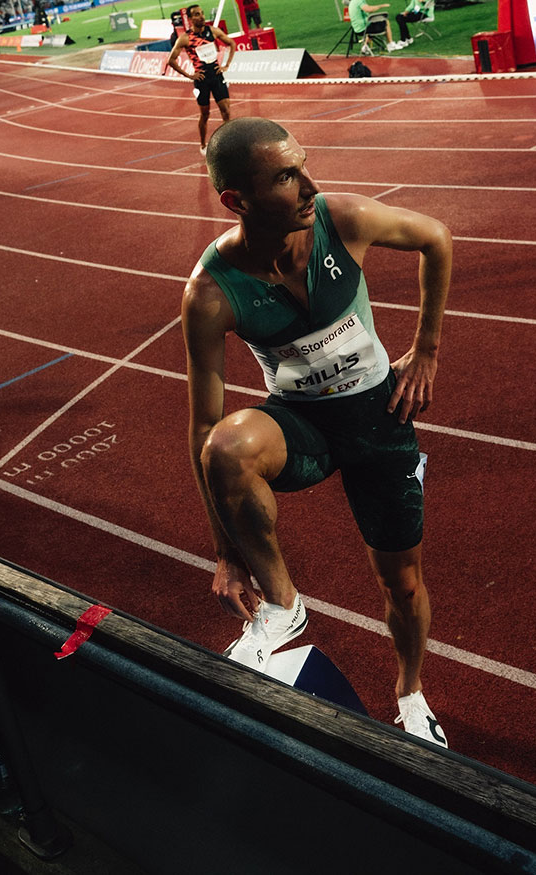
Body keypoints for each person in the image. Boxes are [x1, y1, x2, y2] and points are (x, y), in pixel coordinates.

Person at [182, 117, 452, 747]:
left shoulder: (342, 220)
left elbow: (437, 238)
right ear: (236, 200)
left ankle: (410, 692)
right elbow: (202, 423)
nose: (309, 185)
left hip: (377, 420)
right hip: (301, 424)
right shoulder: (212, 292)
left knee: (402, 582)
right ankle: (283, 603)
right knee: (225, 445)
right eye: (285, 176)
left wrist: (428, 348)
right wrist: (226, 552)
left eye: (303, 165)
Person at [167, 5, 236, 157]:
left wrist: (226, 65)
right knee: (205, 114)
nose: (202, 16)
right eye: (197, 15)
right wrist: (189, 75)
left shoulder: (213, 31)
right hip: (202, 80)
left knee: (226, 110)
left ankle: (229, 142)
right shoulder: (185, 38)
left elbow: (231, 43)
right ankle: (203, 144)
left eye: (202, 13)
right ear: (191, 19)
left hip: (217, 76)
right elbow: (171, 60)